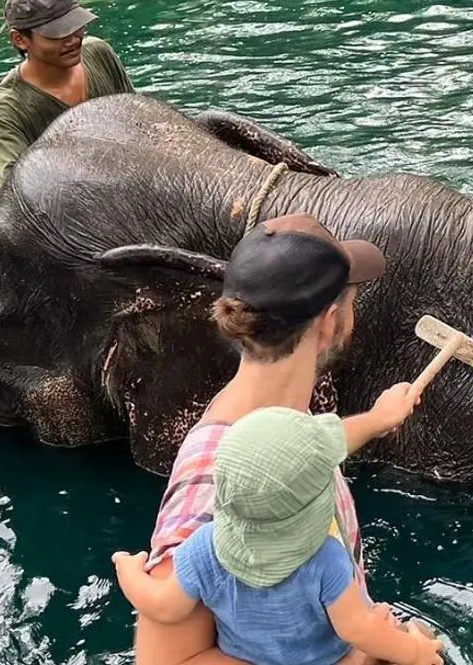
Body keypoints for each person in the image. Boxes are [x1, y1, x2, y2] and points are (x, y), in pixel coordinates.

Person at [128, 212, 434, 665]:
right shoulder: (213, 481)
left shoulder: (282, 435)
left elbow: (320, 443)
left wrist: (376, 420)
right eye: (351, 304)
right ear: (331, 322)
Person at [112, 407, 443, 665]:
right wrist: (414, 651)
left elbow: (162, 606)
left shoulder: (203, 547)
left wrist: (128, 569)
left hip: (248, 660)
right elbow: (357, 629)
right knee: (420, 634)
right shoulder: (327, 559)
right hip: (327, 660)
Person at [0, 0, 135, 187]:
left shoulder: (98, 53)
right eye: (56, 34)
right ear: (20, 39)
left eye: (76, 26)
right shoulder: (6, 108)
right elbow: (17, 191)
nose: (73, 40)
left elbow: (137, 121)